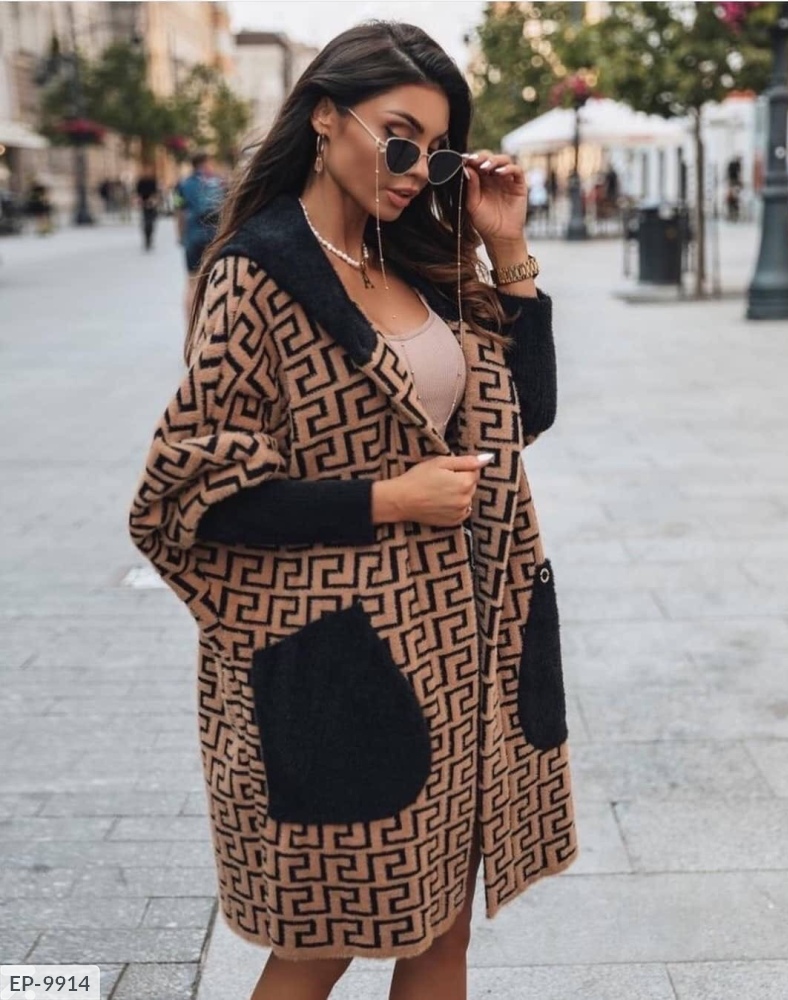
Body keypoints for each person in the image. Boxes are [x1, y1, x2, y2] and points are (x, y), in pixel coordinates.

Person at [129, 21, 578, 1000]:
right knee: (319, 946)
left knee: (442, 937)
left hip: (460, 654)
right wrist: (389, 499)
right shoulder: (258, 273)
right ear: (326, 117)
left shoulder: (412, 255)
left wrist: (508, 248)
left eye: (439, 150)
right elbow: (184, 496)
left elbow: (526, 413)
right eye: (399, 137)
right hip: (345, 661)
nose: (417, 170)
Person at [174, 152, 226, 322]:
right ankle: (210, 323)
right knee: (215, 281)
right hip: (214, 236)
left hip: (193, 236)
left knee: (192, 283)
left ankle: (191, 326)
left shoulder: (183, 184)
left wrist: (180, 235)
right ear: (205, 163)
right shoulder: (218, 182)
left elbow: (179, 211)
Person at [135, 166, 160, 251]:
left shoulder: (153, 181)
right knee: (146, 222)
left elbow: (156, 193)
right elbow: (138, 193)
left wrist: (153, 201)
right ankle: (147, 239)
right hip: (144, 204)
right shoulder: (141, 182)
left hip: (152, 204)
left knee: (151, 222)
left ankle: (150, 239)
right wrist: (140, 202)